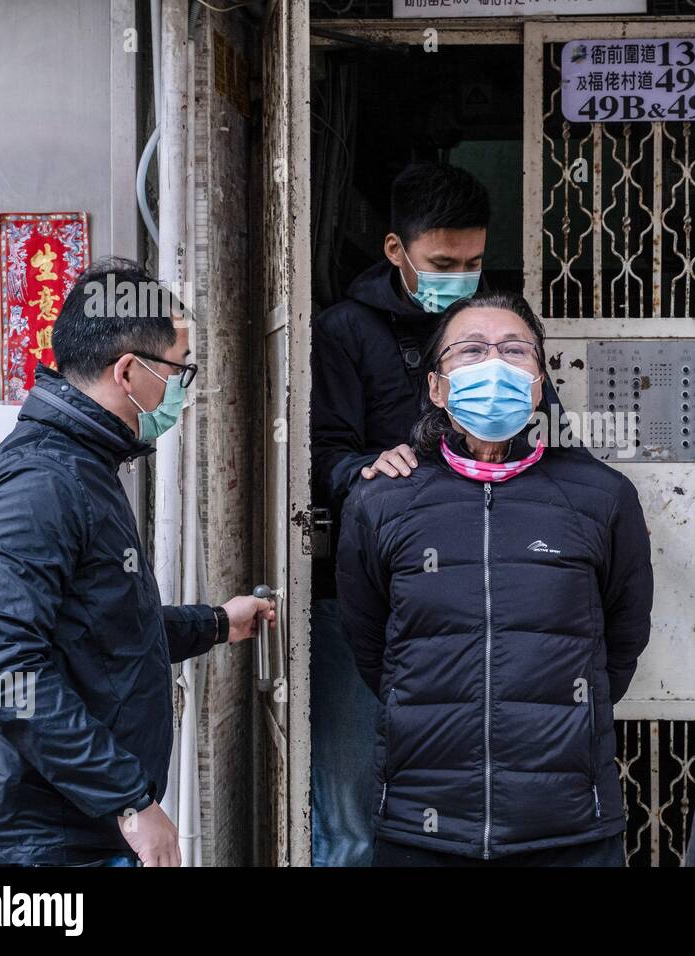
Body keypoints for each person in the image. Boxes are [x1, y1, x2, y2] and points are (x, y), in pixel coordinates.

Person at [0, 258, 274, 867]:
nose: (184, 390)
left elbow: (100, 633)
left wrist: (219, 624)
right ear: (128, 371)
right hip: (38, 843)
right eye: (181, 370)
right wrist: (128, 799)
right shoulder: (40, 484)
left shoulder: (83, 467)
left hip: (72, 827)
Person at [336, 292, 653, 866]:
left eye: (514, 351)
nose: (495, 365)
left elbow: (621, 642)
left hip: (569, 829)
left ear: (538, 384)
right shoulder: (381, 501)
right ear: (436, 387)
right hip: (422, 825)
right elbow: (373, 643)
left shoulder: (602, 499)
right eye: (471, 350)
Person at [309, 161, 491, 866]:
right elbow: (320, 453)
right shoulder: (344, 332)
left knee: (454, 810)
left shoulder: (493, 329)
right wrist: (361, 468)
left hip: (469, 598)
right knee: (352, 822)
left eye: (474, 262)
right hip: (363, 600)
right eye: (442, 263)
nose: (462, 278)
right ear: (396, 251)